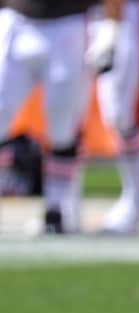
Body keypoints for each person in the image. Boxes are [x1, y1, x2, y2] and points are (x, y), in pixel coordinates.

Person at [0, 0, 101, 234]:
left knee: (62, 123)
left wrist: (110, 26)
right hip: (16, 19)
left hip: (68, 22)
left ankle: (57, 211)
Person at [89, 0, 139, 235]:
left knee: (119, 113)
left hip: (122, 12)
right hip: (70, 14)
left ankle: (136, 199)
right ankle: (62, 204)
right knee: (67, 113)